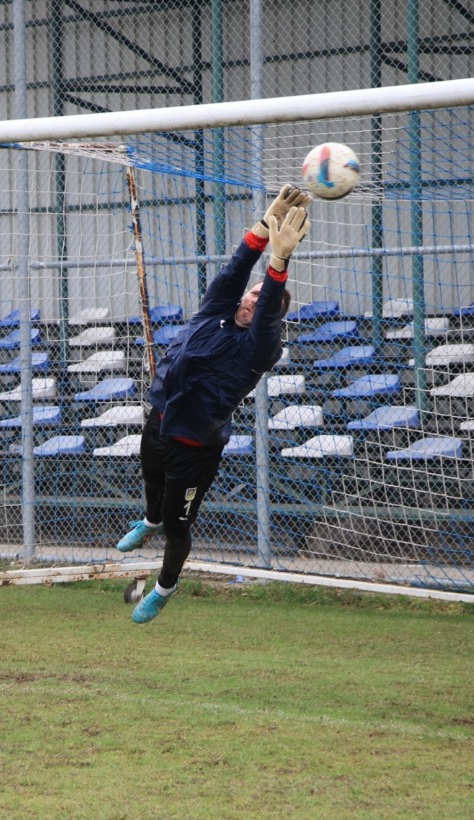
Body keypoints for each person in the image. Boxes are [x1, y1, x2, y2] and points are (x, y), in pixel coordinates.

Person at [116, 184, 312, 624]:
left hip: (195, 445)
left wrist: (279, 262)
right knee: (150, 479)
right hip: (161, 418)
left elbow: (264, 318)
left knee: (178, 523)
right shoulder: (216, 310)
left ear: (274, 315)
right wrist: (264, 227)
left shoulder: (260, 348)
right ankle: (148, 520)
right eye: (252, 292)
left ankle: (164, 589)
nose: (252, 298)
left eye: (264, 299)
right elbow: (233, 272)